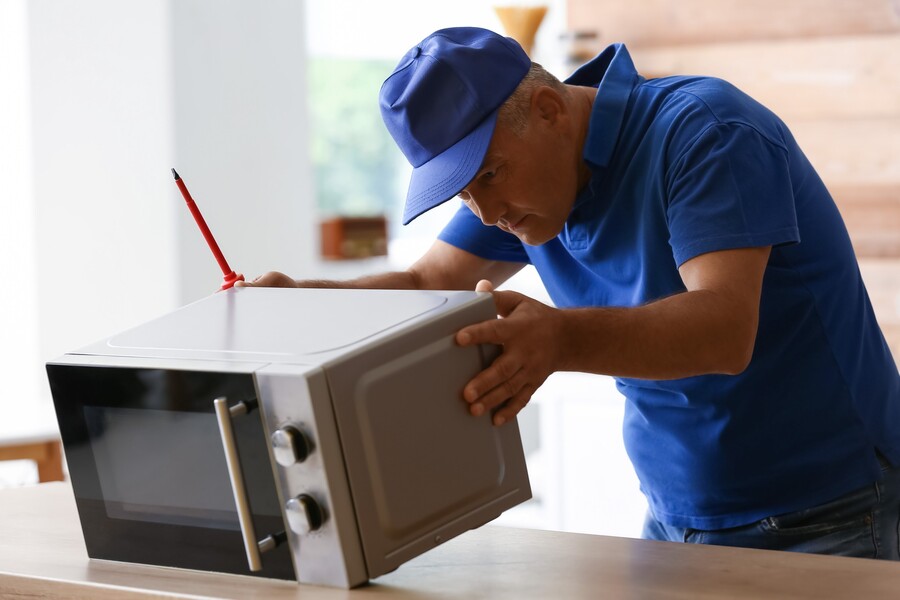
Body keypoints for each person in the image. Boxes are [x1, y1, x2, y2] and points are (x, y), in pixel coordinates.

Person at [239, 27, 900, 558]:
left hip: (832, 510)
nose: (487, 209)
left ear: (550, 110)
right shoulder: (518, 184)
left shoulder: (705, 133)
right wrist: (303, 297)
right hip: (676, 515)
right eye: (463, 191)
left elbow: (724, 330)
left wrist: (559, 338)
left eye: (488, 175)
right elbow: (425, 281)